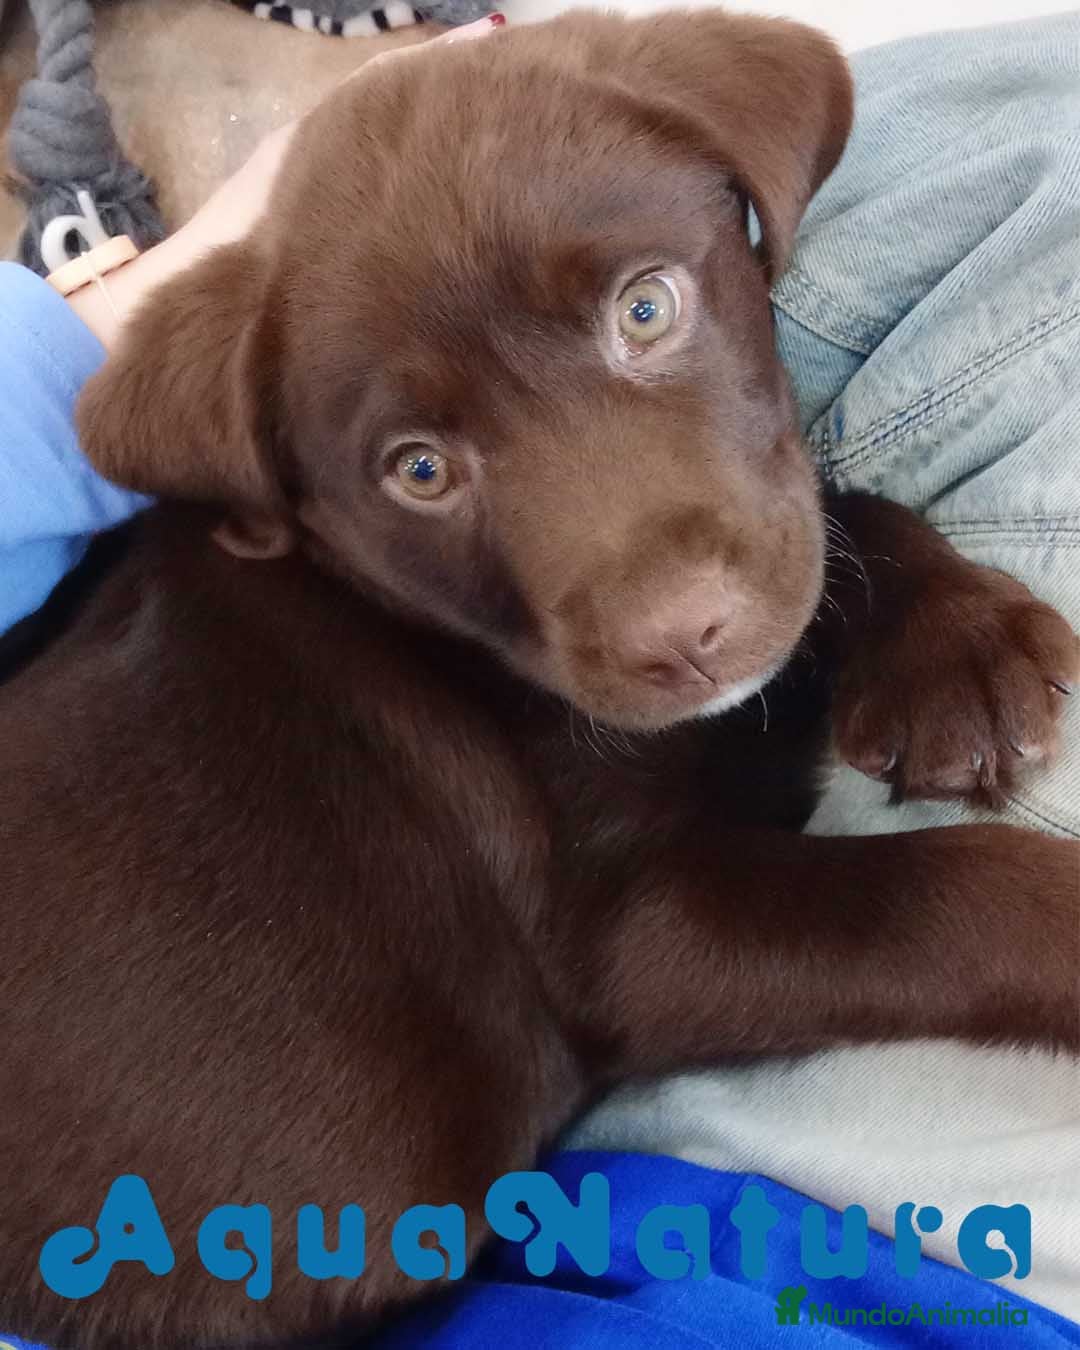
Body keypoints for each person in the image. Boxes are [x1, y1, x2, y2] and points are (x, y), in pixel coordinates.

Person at [1, 9, 1078, 1345]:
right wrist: (1038, 923)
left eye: (645, 307)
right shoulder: (306, 648)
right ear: (279, 504)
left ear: (753, 205)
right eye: (422, 468)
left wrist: (902, 582)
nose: (664, 610)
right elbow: (641, 955)